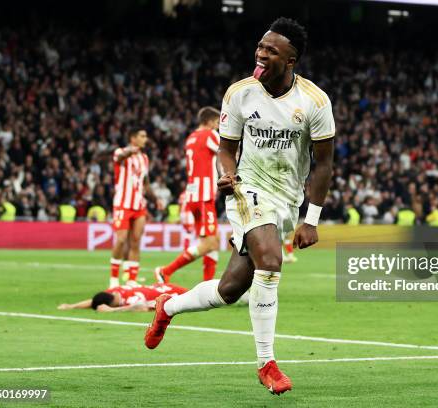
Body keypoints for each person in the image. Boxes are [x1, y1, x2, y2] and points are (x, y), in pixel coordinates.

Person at [144, 17, 335, 395]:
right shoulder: (239, 93)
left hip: (286, 199)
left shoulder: (314, 101)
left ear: (291, 60)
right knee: (271, 262)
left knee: (230, 289)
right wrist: (228, 175)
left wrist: (310, 220)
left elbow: (325, 163)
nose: (260, 55)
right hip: (247, 190)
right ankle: (266, 362)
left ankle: (168, 306)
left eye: (271, 51)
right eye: (260, 47)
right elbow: (226, 150)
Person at [155, 107, 221, 283]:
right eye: (216, 123)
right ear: (208, 122)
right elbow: (226, 153)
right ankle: (165, 271)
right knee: (210, 243)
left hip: (193, 196)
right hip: (203, 196)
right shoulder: (209, 135)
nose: (217, 127)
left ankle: (208, 284)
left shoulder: (191, 138)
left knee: (212, 240)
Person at [109, 129, 162, 288]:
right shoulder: (121, 152)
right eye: (142, 136)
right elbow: (119, 158)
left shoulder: (144, 158)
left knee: (136, 241)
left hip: (139, 205)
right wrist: (129, 151)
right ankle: (113, 279)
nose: (145, 139)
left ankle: (132, 279)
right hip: (123, 204)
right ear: (133, 138)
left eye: (146, 136)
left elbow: (145, 182)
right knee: (121, 240)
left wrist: (155, 198)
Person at [57, 283, 188, 312]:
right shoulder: (114, 291)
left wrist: (112, 311)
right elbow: (94, 301)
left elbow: (141, 307)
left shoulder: (130, 300)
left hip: (177, 294)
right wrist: (71, 306)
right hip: (162, 286)